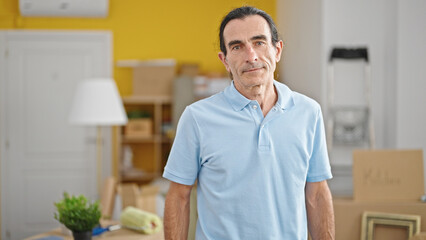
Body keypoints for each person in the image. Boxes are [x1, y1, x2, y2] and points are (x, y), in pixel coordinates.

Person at [163, 6, 335, 240]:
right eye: (237, 46)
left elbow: (316, 194)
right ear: (224, 60)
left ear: (277, 50)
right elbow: (178, 197)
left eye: (259, 42)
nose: (251, 56)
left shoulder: (309, 113)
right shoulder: (197, 118)